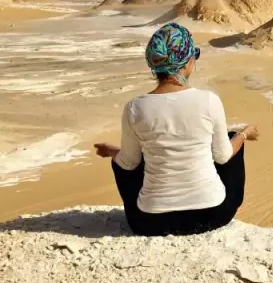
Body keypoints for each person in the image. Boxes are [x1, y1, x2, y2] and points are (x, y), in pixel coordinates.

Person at [94, 22, 259, 236]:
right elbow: (222, 156)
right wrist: (244, 133)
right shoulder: (209, 100)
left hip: (149, 222)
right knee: (231, 139)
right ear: (188, 62)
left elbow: (129, 163)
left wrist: (109, 150)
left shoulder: (135, 107)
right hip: (212, 215)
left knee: (127, 157)